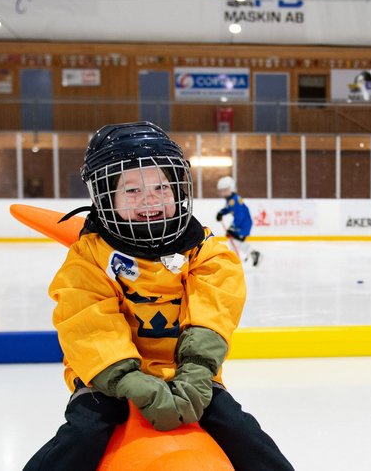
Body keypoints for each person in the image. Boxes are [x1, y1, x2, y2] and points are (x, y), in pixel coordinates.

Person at [23, 122, 293, 471]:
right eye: (132, 190)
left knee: (243, 432)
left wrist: (196, 372)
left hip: (189, 372)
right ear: (106, 197)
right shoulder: (90, 256)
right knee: (85, 433)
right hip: (108, 378)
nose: (150, 199)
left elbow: (213, 312)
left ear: (177, 188)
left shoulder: (205, 250)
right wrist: (127, 380)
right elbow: (89, 324)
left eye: (160, 187)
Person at [216, 175, 260, 267]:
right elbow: (228, 209)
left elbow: (240, 215)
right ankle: (235, 260)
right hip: (239, 223)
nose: (223, 192)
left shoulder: (235, 200)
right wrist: (221, 212)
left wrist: (233, 227)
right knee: (232, 241)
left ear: (231, 188)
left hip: (244, 224)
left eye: (225, 190)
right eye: (222, 190)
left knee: (236, 241)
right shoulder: (230, 199)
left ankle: (253, 254)